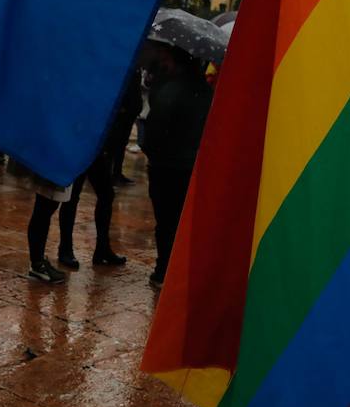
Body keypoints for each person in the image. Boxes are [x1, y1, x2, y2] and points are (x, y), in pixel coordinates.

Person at [142, 42, 212, 286]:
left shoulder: (169, 89)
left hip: (166, 166)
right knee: (184, 222)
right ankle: (180, 270)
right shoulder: (205, 91)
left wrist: (151, 152)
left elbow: (153, 130)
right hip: (191, 165)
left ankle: (163, 270)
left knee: (166, 221)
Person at [23, 131, 128, 282]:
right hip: (67, 147)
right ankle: (47, 259)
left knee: (104, 194)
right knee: (50, 205)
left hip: (84, 146)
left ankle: (101, 248)